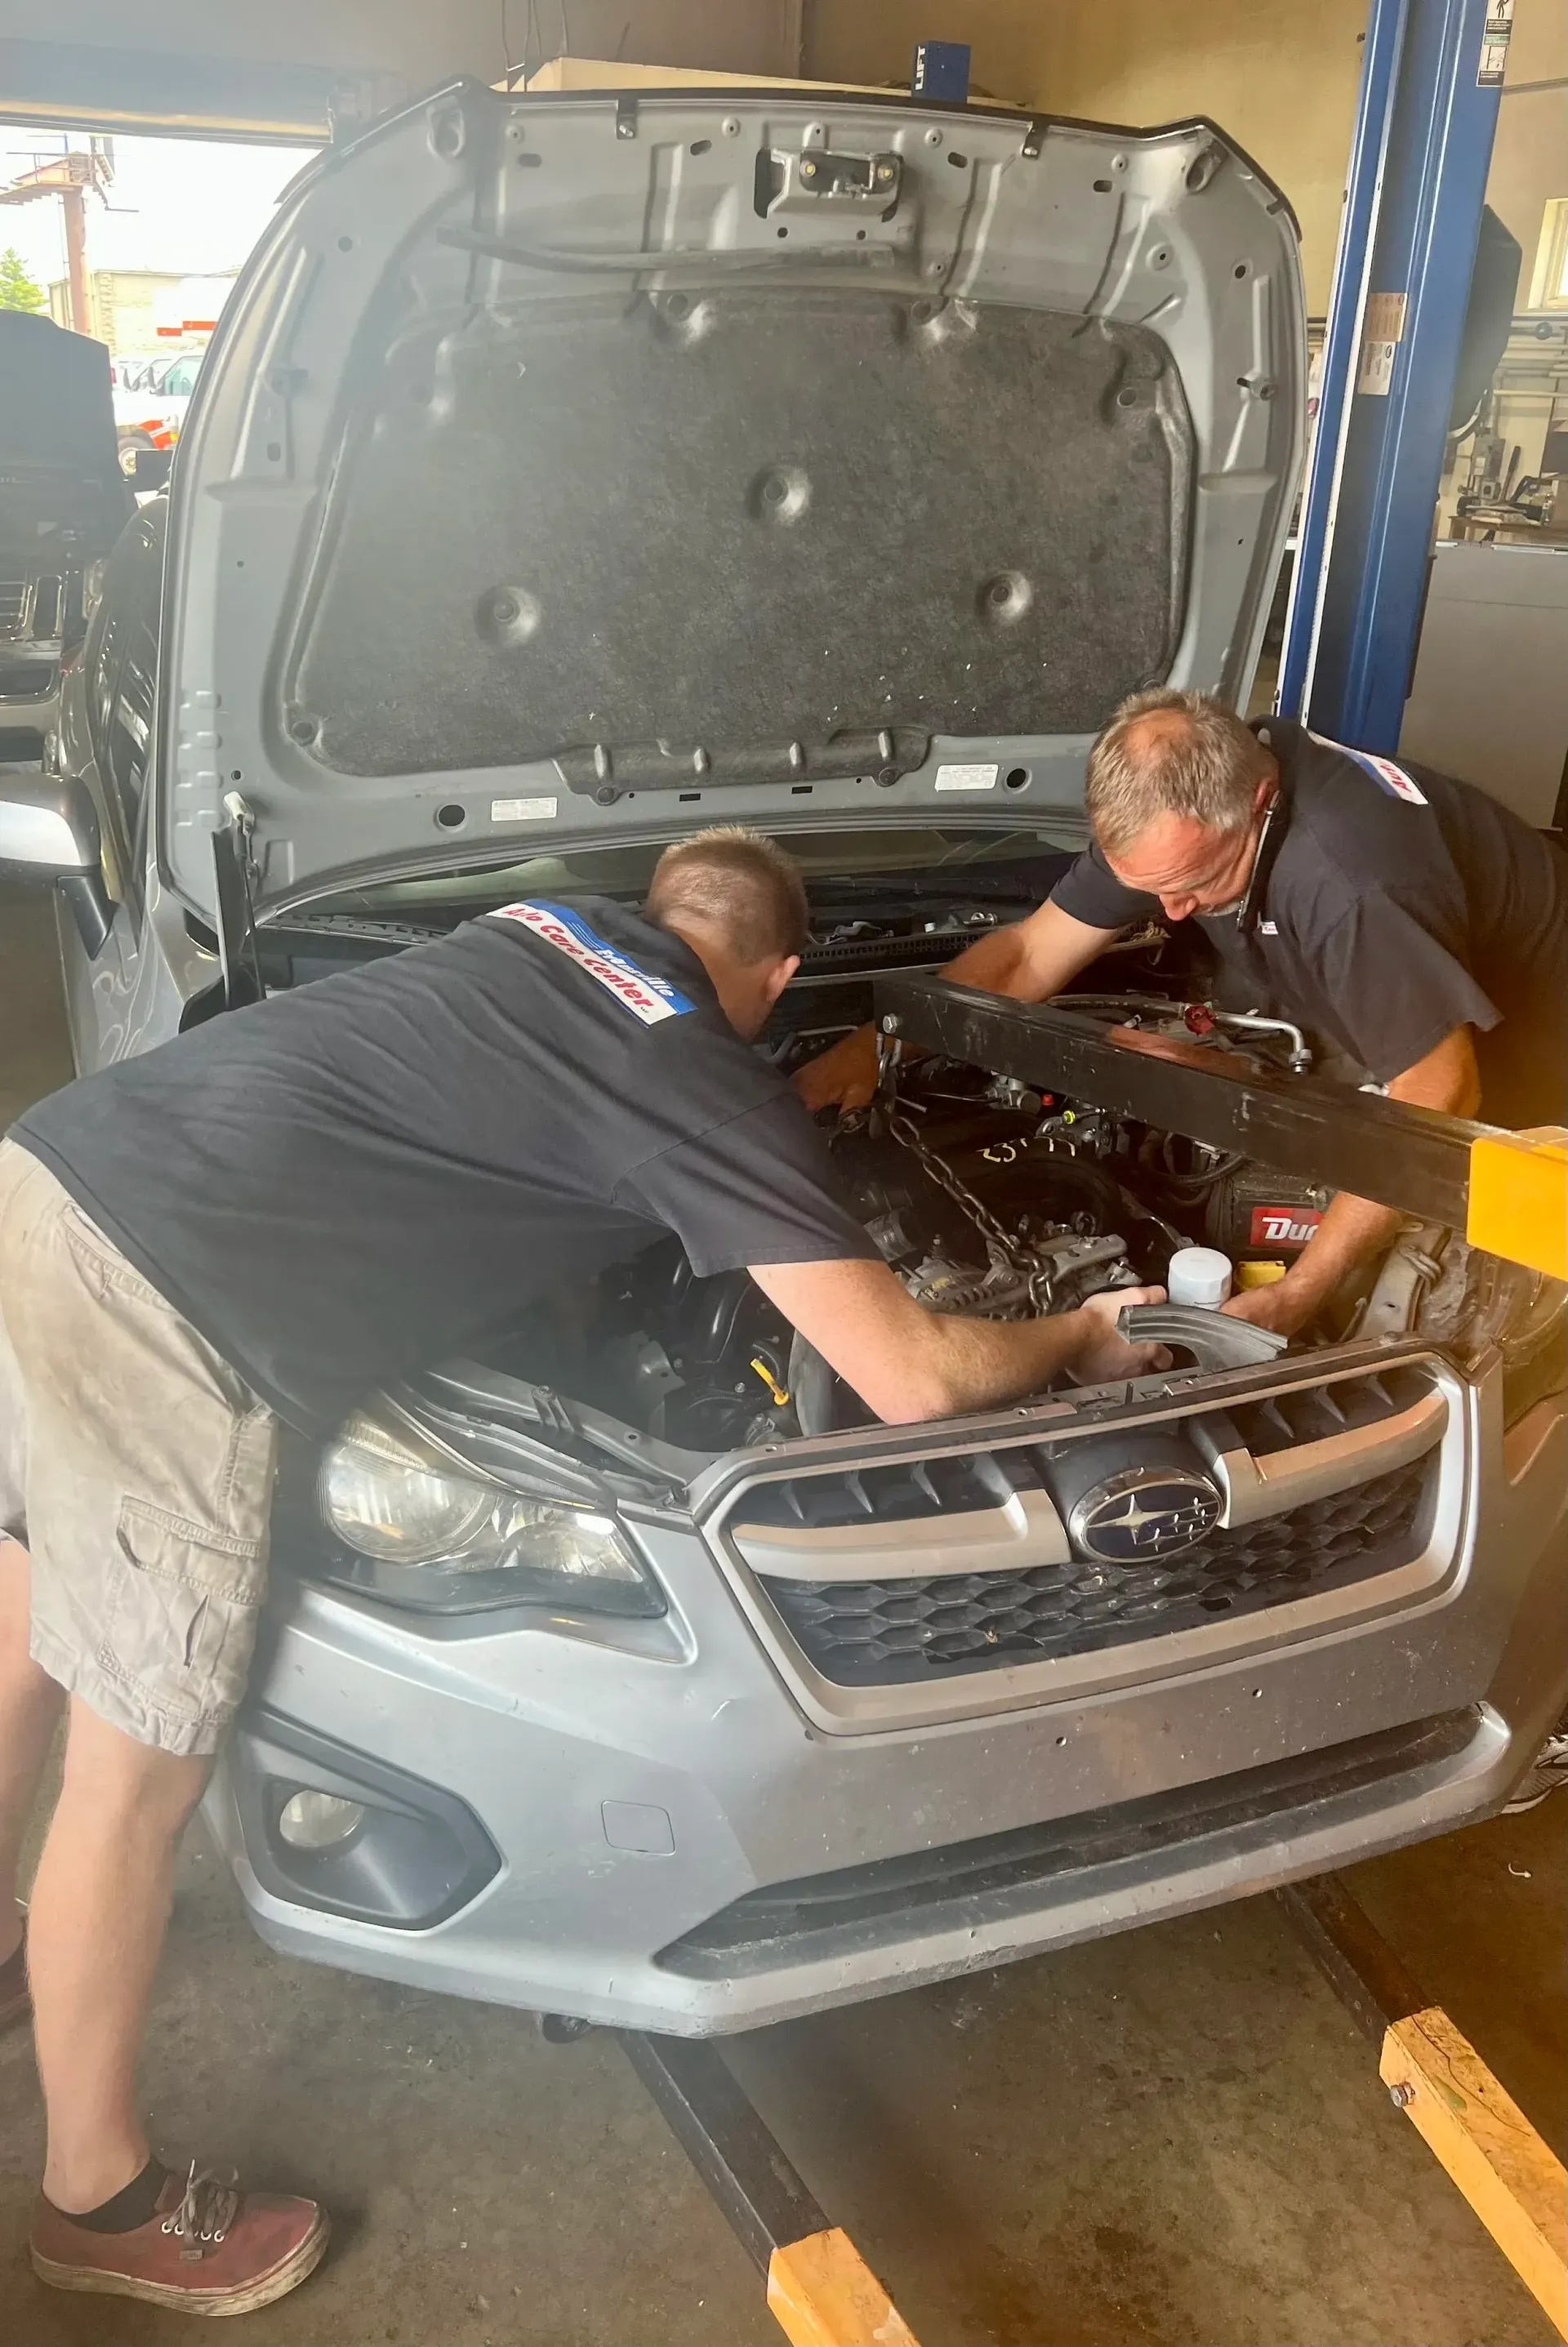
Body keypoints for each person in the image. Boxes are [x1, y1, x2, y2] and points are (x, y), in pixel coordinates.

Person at [0, 826, 1161, 2317]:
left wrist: (763, 1117)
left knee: (29, 1577)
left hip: (59, 1170)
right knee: (139, 1766)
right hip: (178, 1297)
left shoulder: (548, 924)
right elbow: (919, 1381)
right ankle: (99, 2194)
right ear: (784, 973)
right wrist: (1079, 1337)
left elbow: (527, 1119)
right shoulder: (690, 1067)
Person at [799, 688, 1568, 1338]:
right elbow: (1029, 955)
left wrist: (1306, 1291)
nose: (1168, 910)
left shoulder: (1350, 880)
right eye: (1148, 884)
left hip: (1534, 1060)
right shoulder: (1172, 811)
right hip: (1377, 1009)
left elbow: (1436, 1092)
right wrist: (872, 1051)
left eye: (1193, 881)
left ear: (1259, 805)